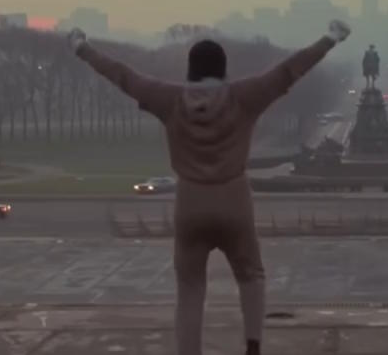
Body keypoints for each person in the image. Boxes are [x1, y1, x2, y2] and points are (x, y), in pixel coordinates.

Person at [69, 20, 351, 355]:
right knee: (251, 275)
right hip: (234, 198)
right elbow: (289, 71)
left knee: (190, 289)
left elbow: (123, 76)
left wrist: (82, 49)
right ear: (223, 68)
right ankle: (253, 345)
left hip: (190, 201)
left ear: (190, 69)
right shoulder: (244, 96)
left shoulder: (169, 99)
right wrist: (330, 38)